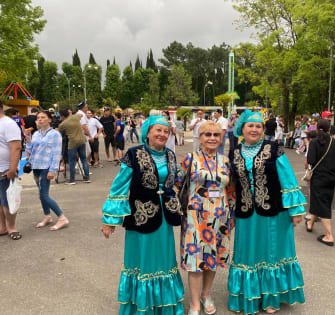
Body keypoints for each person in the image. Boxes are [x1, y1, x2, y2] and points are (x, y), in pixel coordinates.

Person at [102, 115, 184, 315]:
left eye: (165, 131)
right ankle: (142, 306)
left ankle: (164, 306)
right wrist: (110, 219)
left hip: (164, 219)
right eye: (158, 130)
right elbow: (119, 186)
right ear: (147, 132)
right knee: (142, 261)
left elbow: (174, 183)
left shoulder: (170, 155)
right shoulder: (133, 154)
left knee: (164, 261)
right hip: (140, 218)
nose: (162, 134)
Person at [228, 110, 306, 314]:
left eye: (258, 126)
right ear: (242, 128)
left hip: (274, 213)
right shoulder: (234, 151)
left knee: (272, 253)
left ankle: (271, 297)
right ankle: (250, 294)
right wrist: (231, 211)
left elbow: (288, 177)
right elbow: (234, 184)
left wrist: (295, 209)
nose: (254, 129)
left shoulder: (274, 148)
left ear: (263, 130)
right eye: (250, 126)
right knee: (248, 253)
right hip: (246, 213)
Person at [178, 121, 234, 315]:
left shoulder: (226, 161)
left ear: (221, 138)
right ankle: (194, 303)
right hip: (195, 217)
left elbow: (231, 190)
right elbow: (177, 185)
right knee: (195, 260)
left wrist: (232, 215)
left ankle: (206, 294)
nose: (212, 138)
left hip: (220, 216)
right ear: (200, 138)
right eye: (207, 134)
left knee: (213, 258)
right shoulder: (190, 159)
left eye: (216, 135)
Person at [24, 111, 68, 231]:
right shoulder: (36, 134)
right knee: (41, 194)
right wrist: (27, 138)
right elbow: (30, 149)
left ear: (49, 119)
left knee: (44, 195)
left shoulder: (55, 134)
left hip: (46, 167)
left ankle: (62, 217)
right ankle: (47, 216)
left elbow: (57, 153)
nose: (40, 120)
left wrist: (52, 170)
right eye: (38, 118)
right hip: (36, 166)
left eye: (43, 117)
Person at [305, 119, 335, 246]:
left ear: (317, 129)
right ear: (329, 129)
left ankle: (329, 236)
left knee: (322, 203)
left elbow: (310, 160)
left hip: (318, 177)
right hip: (331, 177)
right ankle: (310, 223)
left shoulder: (315, 142)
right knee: (322, 201)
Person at [0, 101, 22, 240]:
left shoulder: (8, 123)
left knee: (8, 200)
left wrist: (12, 169)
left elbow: (16, 147)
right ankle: (2, 227)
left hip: (5, 169)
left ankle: (12, 227)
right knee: (0, 201)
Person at [58, 109, 91, 184]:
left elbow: (59, 134)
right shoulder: (76, 117)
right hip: (82, 140)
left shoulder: (63, 124)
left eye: (60, 116)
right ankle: (87, 177)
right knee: (83, 159)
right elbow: (81, 115)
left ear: (62, 116)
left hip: (72, 142)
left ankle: (72, 180)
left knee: (72, 161)